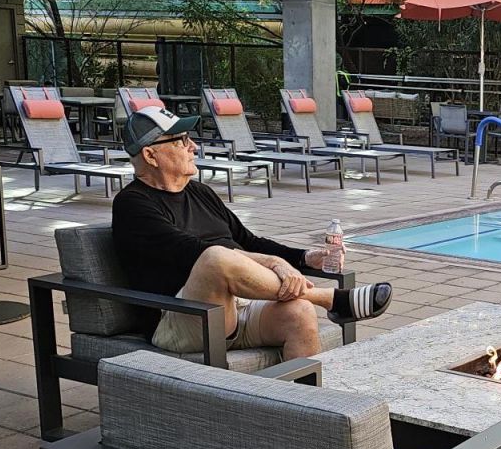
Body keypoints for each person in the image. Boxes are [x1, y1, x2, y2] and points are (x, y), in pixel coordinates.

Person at [111, 105, 391, 359]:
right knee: (215, 258)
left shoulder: (200, 192)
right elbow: (191, 252)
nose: (193, 146)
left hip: (237, 307)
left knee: (300, 313)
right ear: (151, 155)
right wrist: (273, 263)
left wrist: (306, 257)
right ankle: (329, 299)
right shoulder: (132, 204)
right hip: (182, 319)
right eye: (181, 140)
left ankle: (297, 409)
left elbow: (248, 241)